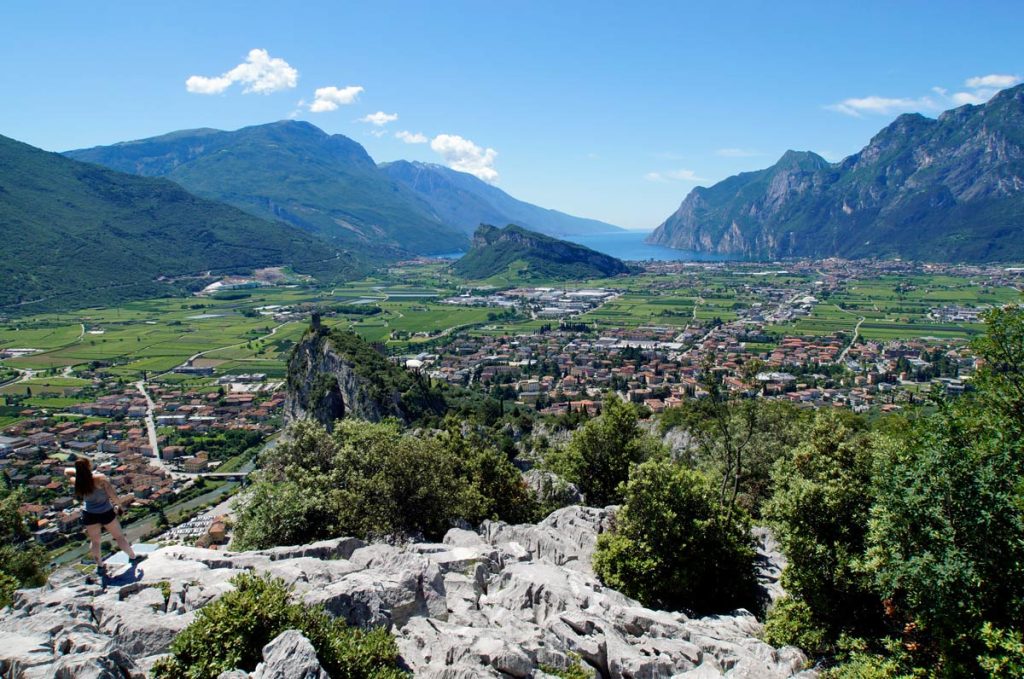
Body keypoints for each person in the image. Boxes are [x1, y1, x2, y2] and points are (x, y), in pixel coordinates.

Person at [65, 457, 141, 575]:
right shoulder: (100, 479)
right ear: (89, 466)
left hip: (89, 513)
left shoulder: (76, 481)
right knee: (119, 537)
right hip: (105, 512)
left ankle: (100, 566)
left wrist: (80, 472)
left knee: (95, 541)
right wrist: (120, 506)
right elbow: (113, 496)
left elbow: (66, 471)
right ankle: (133, 557)